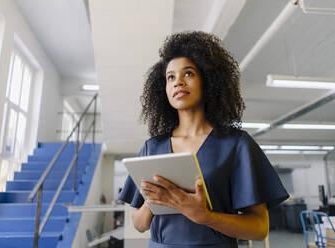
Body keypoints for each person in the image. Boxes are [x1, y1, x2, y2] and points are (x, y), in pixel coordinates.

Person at [119, 31, 289, 248]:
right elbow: (139, 224)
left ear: (208, 80)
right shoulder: (151, 148)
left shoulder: (236, 145)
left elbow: (259, 228)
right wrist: (153, 202)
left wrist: (205, 216)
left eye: (188, 74)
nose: (178, 82)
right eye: (170, 77)